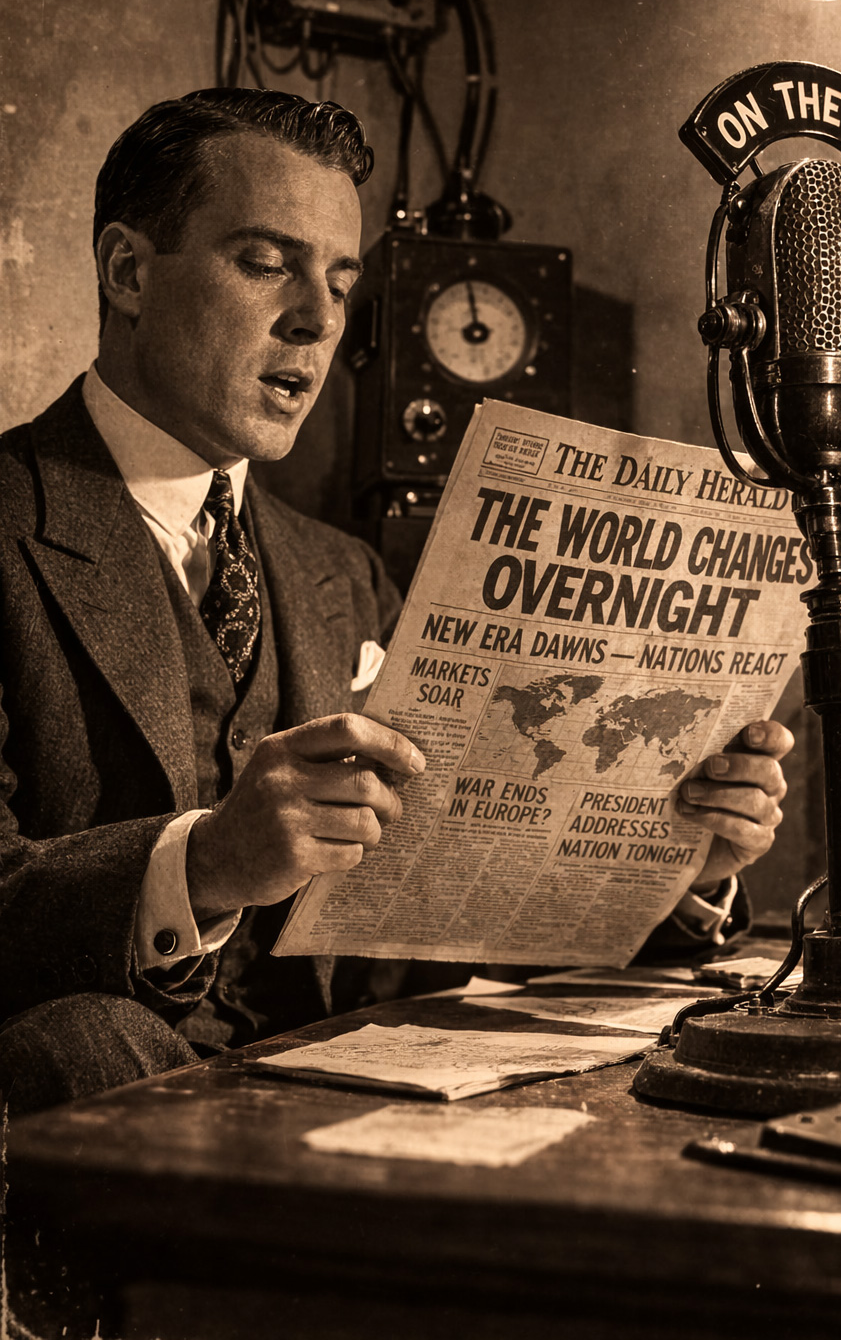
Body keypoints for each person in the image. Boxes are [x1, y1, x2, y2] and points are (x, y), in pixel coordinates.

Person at [0, 89, 793, 1116]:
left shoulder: (342, 572)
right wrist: (202, 866)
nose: (319, 319)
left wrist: (677, 860)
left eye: (340, 281)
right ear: (127, 271)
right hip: (102, 1124)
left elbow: (437, 924)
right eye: (265, 262)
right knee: (82, 1045)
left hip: (346, 1105)